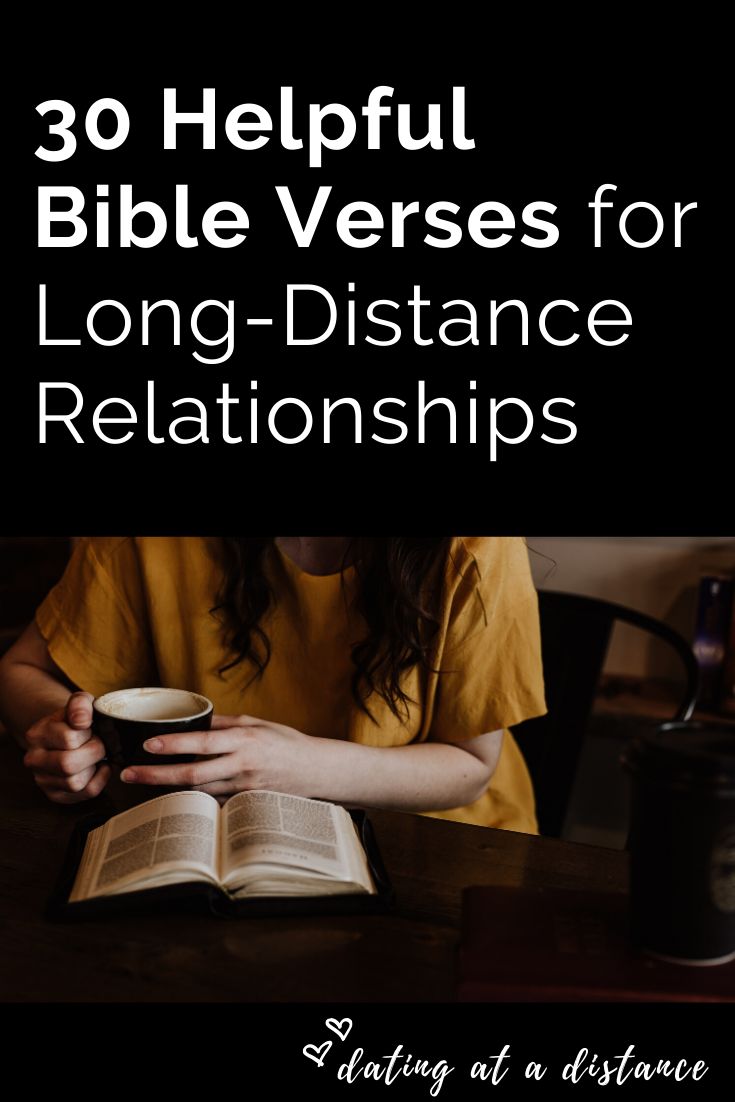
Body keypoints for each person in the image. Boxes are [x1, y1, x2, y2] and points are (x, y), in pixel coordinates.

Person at [0, 536, 546, 832]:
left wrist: (299, 767)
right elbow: (22, 672)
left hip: (435, 839)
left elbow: (472, 768)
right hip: (199, 835)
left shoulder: (477, 546)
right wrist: (61, 734)